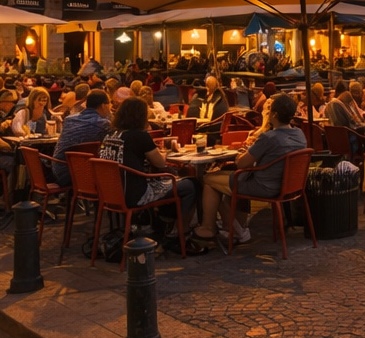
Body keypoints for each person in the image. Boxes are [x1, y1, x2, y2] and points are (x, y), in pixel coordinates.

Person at [101, 96, 210, 253]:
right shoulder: (139, 136)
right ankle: (179, 235)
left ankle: (165, 225)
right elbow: (159, 163)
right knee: (191, 185)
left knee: (170, 182)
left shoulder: (109, 135)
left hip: (110, 194)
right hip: (135, 195)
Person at [202, 93, 305, 244]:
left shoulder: (269, 138)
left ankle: (208, 228)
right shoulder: (300, 134)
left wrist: (241, 156)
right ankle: (236, 229)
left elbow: (242, 164)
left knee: (209, 180)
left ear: (274, 114)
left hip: (264, 187)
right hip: (288, 186)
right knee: (233, 181)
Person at [51, 90, 112, 187]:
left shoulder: (69, 119)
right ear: (104, 105)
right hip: (77, 173)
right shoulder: (104, 124)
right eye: (110, 103)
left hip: (58, 167)